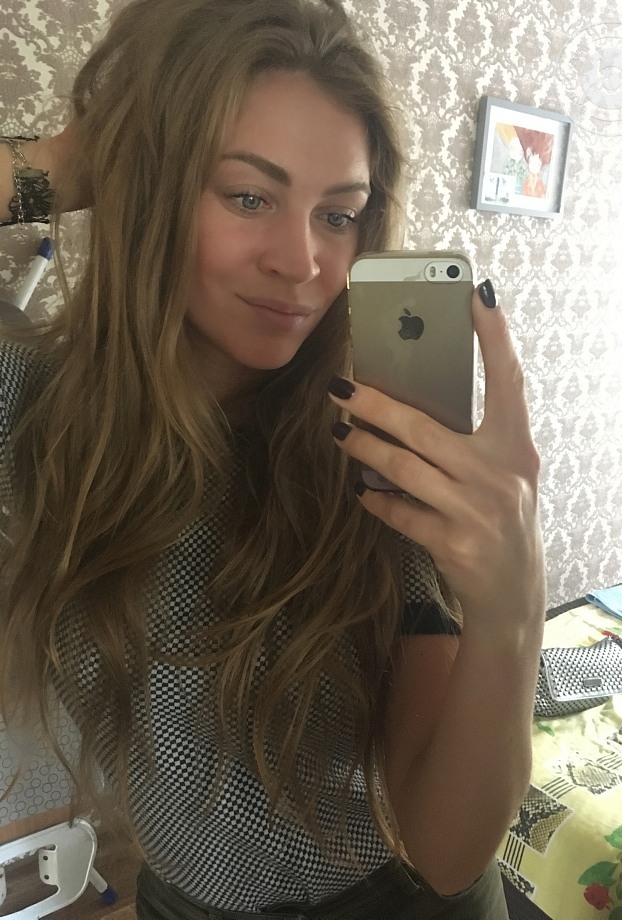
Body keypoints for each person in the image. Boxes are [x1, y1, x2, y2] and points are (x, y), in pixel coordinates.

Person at [0, 1, 545, 917]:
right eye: (248, 197)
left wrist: (512, 611)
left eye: (339, 215)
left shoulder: (373, 441)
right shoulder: (35, 410)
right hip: (180, 901)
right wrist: (77, 162)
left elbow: (449, 854)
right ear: (153, 185)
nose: (304, 262)